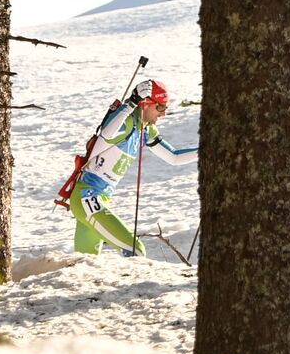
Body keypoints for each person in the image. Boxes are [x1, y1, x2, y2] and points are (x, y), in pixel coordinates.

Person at [70, 79, 198, 256]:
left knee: (85, 265)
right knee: (136, 250)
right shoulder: (126, 122)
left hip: (98, 198)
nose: (163, 114)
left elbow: (174, 157)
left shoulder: (145, 130)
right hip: (88, 197)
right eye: (160, 107)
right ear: (145, 104)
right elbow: (106, 134)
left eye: (165, 108)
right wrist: (131, 102)